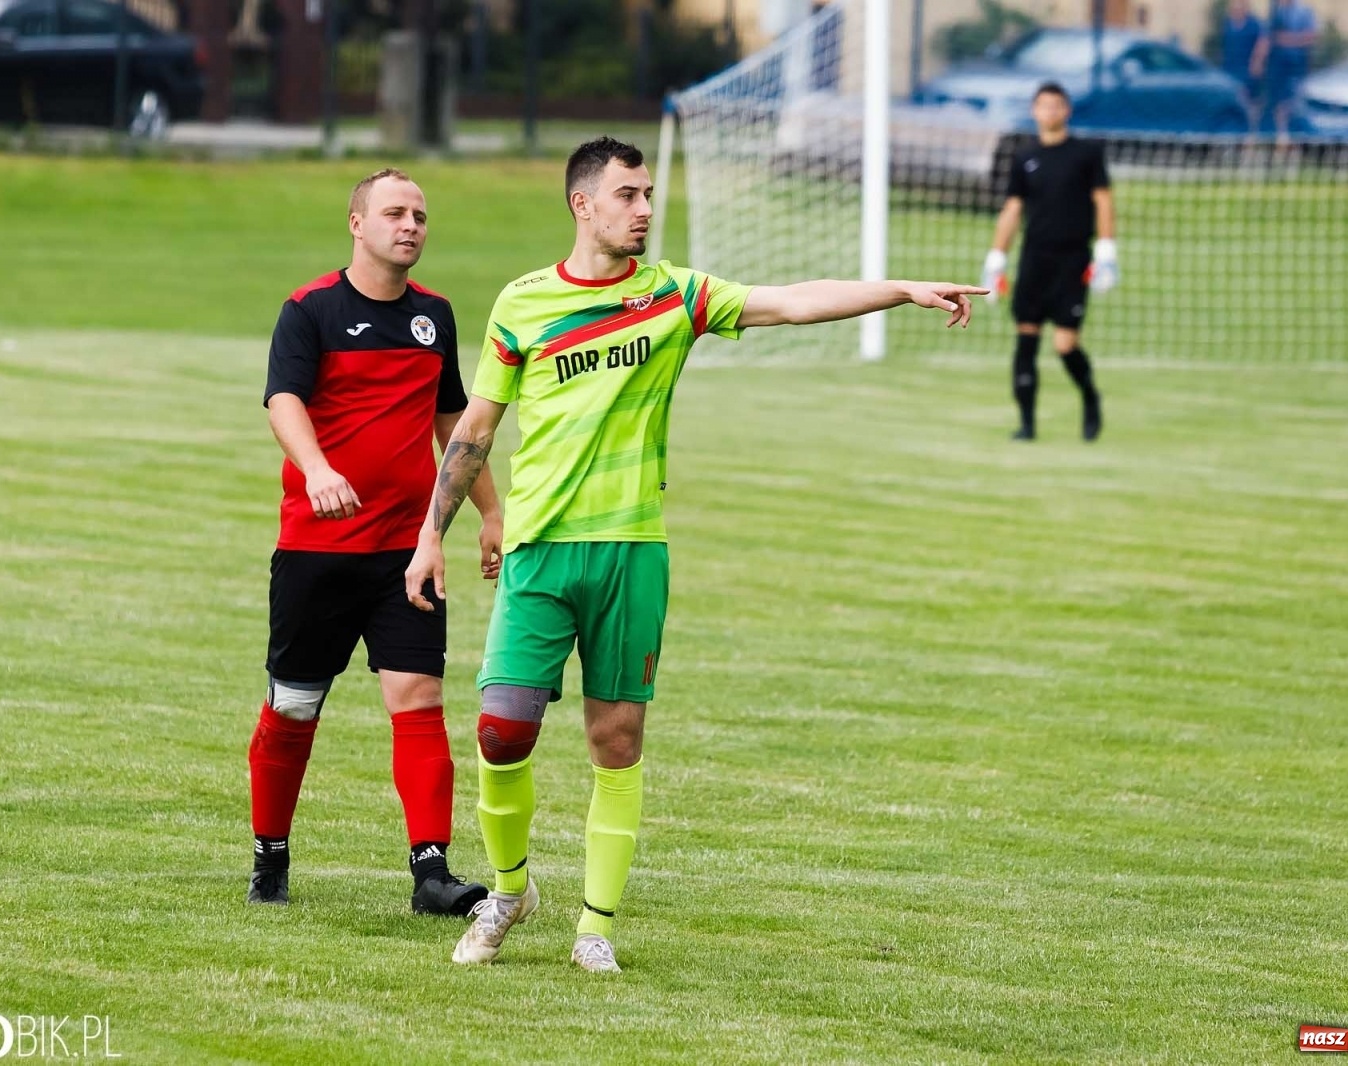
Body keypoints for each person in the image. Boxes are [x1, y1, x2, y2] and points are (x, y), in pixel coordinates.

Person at [403, 137, 986, 973]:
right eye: (628, 194)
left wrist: (900, 290)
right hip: (540, 550)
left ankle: (595, 927)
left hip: (633, 551)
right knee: (500, 730)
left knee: (617, 739)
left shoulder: (675, 295)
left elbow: (790, 302)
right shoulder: (524, 303)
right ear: (583, 204)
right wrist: (433, 535)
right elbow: (474, 430)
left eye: (648, 195)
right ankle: (509, 891)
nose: (644, 208)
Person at [246, 167, 503, 917]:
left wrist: (490, 510)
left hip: (406, 551)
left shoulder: (436, 317)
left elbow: (454, 425)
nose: (412, 225)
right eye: (395, 212)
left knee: (419, 698)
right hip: (317, 551)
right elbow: (283, 400)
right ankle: (270, 856)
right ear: (357, 223)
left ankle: (432, 875)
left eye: (421, 214)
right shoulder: (311, 310)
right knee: (294, 707)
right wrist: (317, 468)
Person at [981, 82, 1116, 442]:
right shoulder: (1024, 156)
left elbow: (1103, 200)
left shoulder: (1087, 153)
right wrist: (996, 259)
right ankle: (1026, 425)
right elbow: (1013, 208)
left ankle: (1090, 397)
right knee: (1026, 337)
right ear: (1034, 110)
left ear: (1067, 110)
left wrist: (1106, 251)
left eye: (1057, 105)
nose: (1050, 112)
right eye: (1043, 106)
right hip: (1034, 258)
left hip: (1072, 259)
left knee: (1064, 344)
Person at [1257, 0, 1318, 144]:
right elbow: (1266, 37)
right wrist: (1258, 60)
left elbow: (1311, 36)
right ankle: (1281, 136)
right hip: (1276, 66)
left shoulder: (1304, 12)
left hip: (1296, 65)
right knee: (1275, 102)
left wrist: (1286, 39)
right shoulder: (1275, 11)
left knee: (1293, 101)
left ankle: (1295, 138)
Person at [1220, 0, 1266, 132]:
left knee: (1250, 104)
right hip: (1230, 70)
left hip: (1247, 71)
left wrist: (1257, 62)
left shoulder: (1254, 25)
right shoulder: (1228, 24)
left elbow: (1262, 43)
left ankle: (1251, 133)